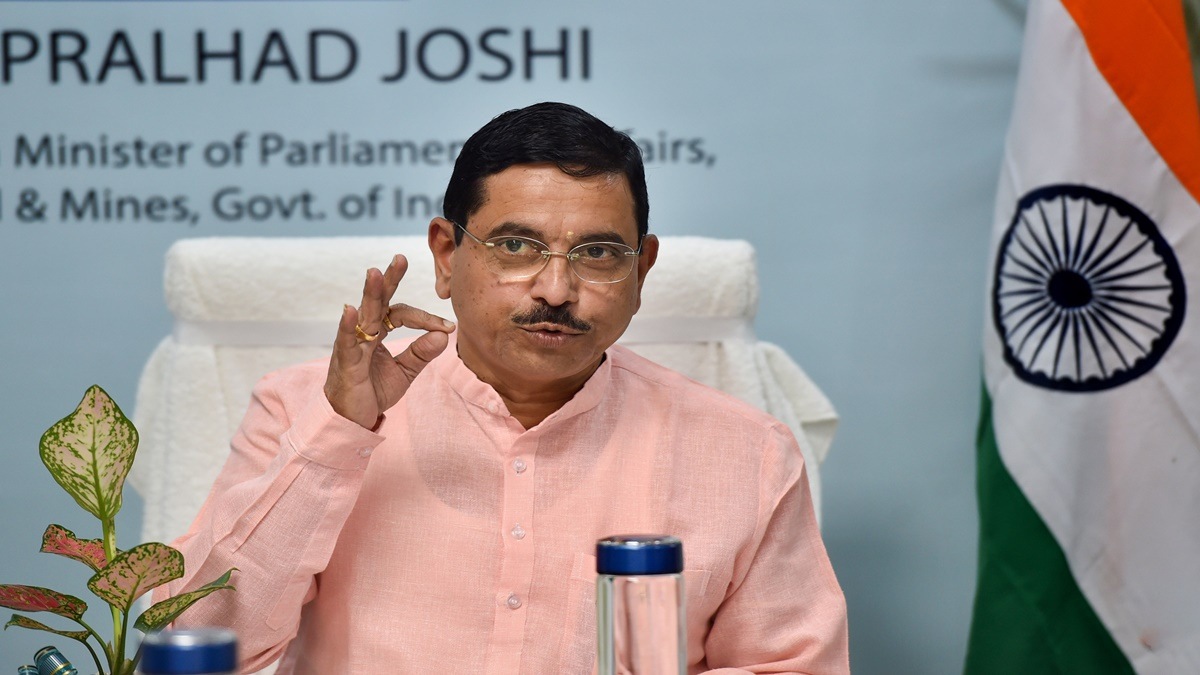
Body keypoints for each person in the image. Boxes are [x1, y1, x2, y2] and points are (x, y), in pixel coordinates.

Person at [160, 102, 849, 674]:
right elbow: (196, 647)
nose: (556, 289)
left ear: (641, 270)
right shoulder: (303, 410)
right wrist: (337, 438)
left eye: (597, 253)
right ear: (446, 255)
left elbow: (793, 666)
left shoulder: (746, 452)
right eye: (516, 246)